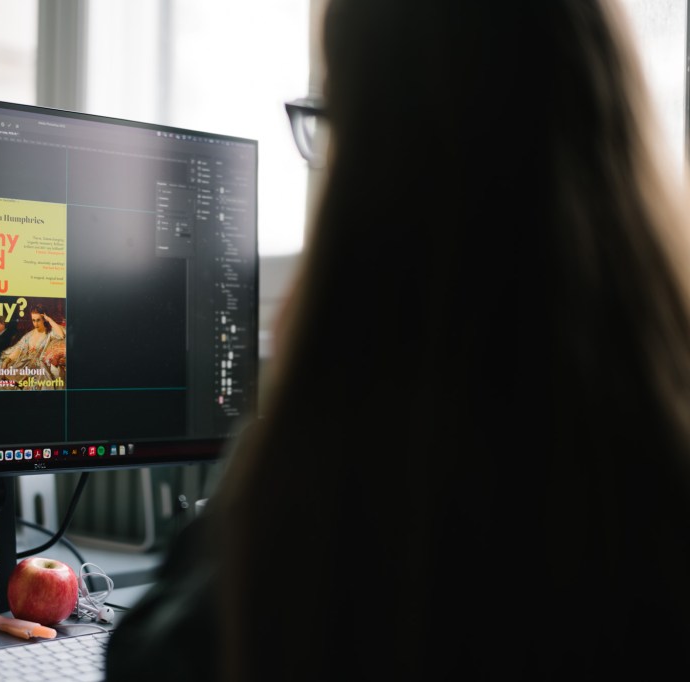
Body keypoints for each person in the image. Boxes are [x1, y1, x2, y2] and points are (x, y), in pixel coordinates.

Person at [105, 1, 690, 679]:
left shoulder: (330, 524)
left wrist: (264, 458)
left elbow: (153, 658)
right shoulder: (653, 488)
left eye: (330, 118)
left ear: (377, 164)